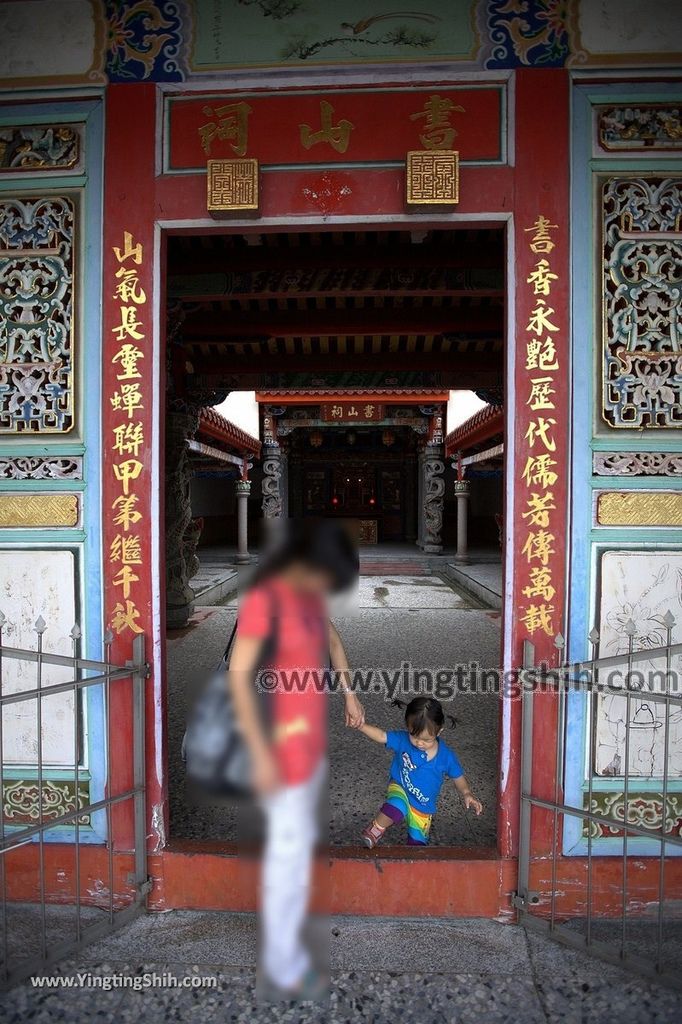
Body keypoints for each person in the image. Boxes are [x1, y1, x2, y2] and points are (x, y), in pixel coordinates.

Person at [227, 520, 363, 1000]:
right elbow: (240, 679)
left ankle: (287, 946)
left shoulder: (311, 598)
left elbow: (332, 641)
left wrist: (348, 693)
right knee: (286, 853)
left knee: (297, 844)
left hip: (309, 746)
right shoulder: (265, 600)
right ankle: (281, 964)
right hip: (276, 748)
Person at [353, 696, 482, 847]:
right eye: (414, 736)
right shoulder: (402, 740)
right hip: (400, 787)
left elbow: (458, 776)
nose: (419, 742)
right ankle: (376, 828)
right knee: (396, 804)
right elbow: (382, 736)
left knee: (417, 844)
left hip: (423, 804)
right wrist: (361, 726)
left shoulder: (446, 756)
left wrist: (467, 793)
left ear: (439, 732)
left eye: (427, 740)